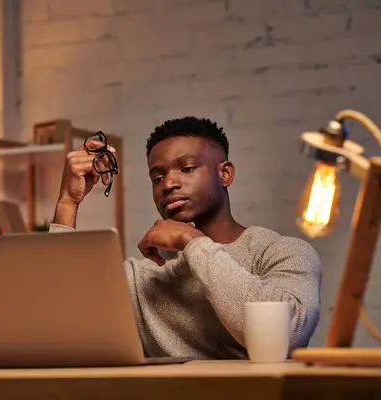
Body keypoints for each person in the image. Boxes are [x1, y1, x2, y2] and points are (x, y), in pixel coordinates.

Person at [49, 116, 321, 360]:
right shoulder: (141, 278)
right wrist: (67, 203)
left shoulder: (282, 253)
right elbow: (60, 322)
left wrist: (193, 243)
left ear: (224, 174)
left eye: (187, 168)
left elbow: (286, 336)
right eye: (157, 178)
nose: (168, 184)